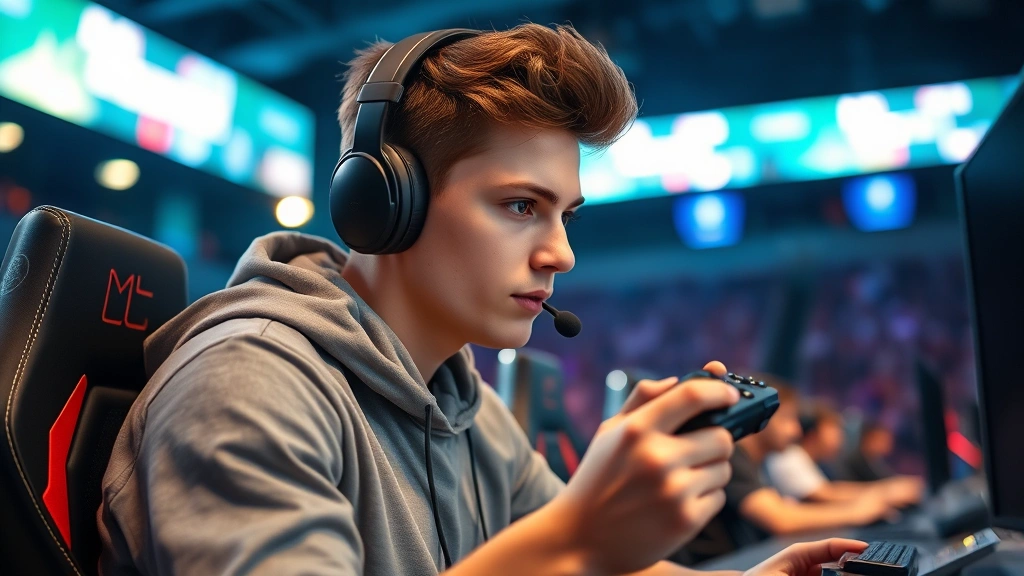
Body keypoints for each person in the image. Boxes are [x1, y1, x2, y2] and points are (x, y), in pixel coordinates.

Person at [98, 24, 868, 575]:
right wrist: (578, 537)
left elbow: (587, 563)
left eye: (565, 216)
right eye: (521, 205)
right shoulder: (246, 384)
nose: (561, 253)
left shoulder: (466, 408)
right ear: (384, 202)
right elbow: (566, 549)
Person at [679, 380, 896, 564]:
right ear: (758, 416)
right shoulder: (733, 454)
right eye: (786, 418)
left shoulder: (757, 463)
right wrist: (859, 511)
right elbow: (781, 519)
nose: (796, 431)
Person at [764, 403, 923, 507]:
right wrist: (886, 492)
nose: (840, 438)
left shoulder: (808, 460)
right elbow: (826, 494)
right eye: (833, 430)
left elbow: (830, 490)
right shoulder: (789, 457)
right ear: (813, 433)